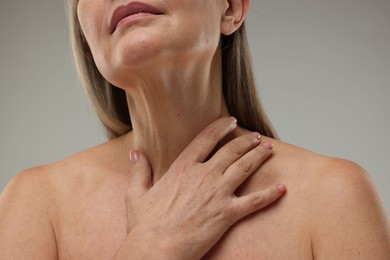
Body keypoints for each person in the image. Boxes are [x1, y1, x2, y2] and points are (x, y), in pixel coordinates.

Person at [0, 0, 389, 258]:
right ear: (88, 42)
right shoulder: (36, 205)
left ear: (231, 7)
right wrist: (150, 247)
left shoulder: (335, 198)